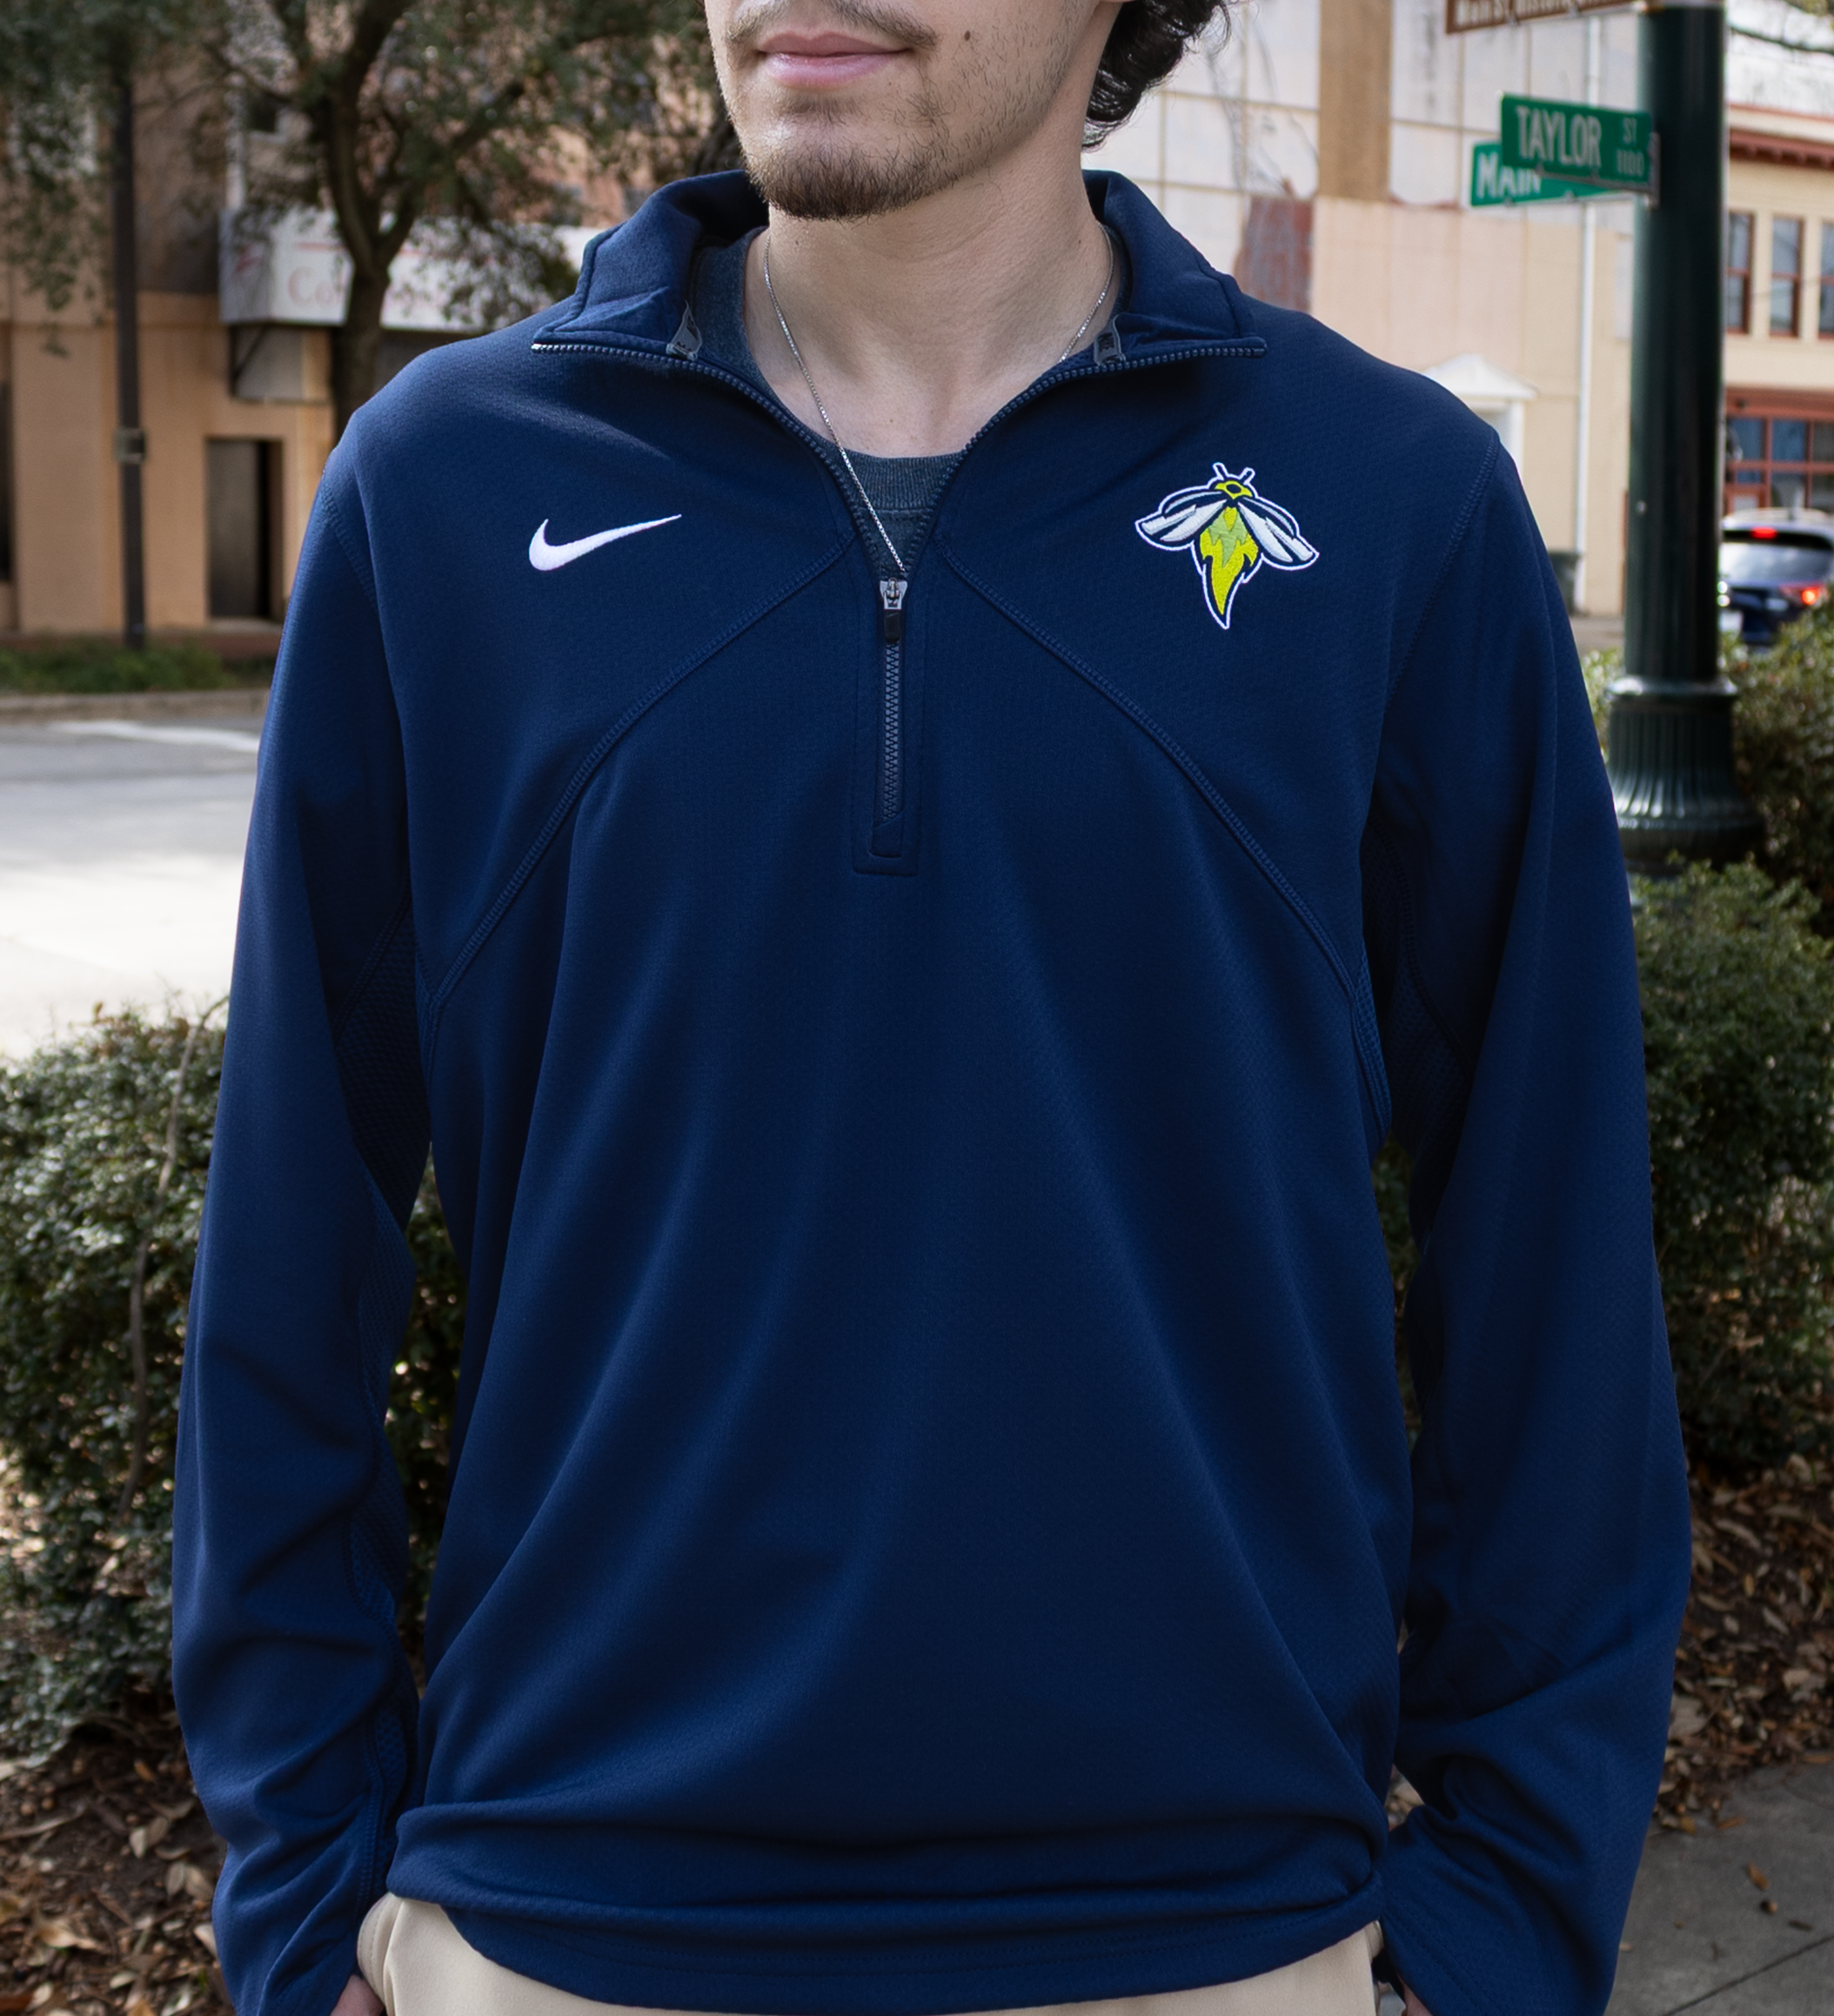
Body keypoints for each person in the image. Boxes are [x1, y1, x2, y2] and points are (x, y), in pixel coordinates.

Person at [171, 2, 1692, 2013]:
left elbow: (1551, 1257)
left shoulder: (1393, 501)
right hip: (566, 1925)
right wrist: (302, 1900)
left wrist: (1499, 1924)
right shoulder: (443, 490)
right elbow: (290, 1241)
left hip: (1221, 1934)